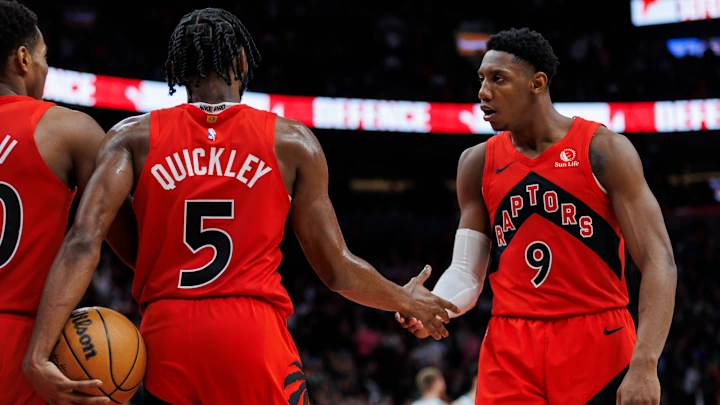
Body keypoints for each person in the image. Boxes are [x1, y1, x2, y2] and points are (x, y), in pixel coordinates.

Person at [22, 7, 458, 405]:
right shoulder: (292, 142)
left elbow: (83, 240)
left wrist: (38, 352)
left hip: (168, 334)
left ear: (178, 69)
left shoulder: (130, 137)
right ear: (244, 62)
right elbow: (336, 269)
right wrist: (404, 299)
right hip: (253, 333)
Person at [396, 27, 677, 405]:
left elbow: (659, 261)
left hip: (597, 338)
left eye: (498, 79)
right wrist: (433, 304)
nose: (483, 92)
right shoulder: (476, 163)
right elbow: (466, 272)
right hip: (510, 345)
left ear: (537, 83)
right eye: (481, 79)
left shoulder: (604, 150)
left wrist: (645, 361)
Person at [0, 1, 136, 405]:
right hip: (21, 347)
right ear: (23, 59)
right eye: (43, 57)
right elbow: (136, 248)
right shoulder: (68, 131)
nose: (45, 68)